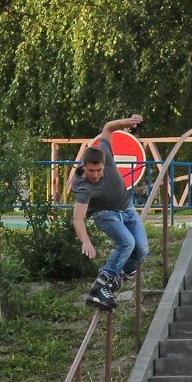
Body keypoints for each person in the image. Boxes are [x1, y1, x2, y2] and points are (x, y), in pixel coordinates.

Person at [72, 114, 149, 312]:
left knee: (141, 249)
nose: (95, 175)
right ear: (84, 167)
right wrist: (86, 241)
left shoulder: (105, 151)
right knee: (127, 243)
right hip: (105, 214)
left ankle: (114, 280)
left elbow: (107, 127)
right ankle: (101, 283)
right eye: (91, 171)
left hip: (127, 209)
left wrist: (128, 122)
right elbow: (78, 218)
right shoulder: (83, 187)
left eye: (98, 170)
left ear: (103, 163)